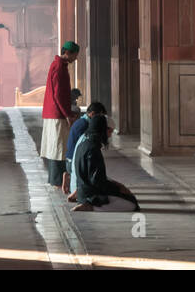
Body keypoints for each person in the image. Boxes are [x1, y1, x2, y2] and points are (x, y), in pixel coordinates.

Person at [71, 113, 139, 212]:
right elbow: (97, 181)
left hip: (83, 191)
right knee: (131, 204)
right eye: (109, 132)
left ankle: (88, 204)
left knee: (125, 195)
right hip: (91, 195)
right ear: (103, 130)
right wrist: (118, 189)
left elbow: (94, 175)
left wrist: (118, 185)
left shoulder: (85, 142)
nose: (110, 135)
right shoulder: (93, 149)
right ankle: (91, 207)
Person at [40, 41, 80, 187]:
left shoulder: (59, 65)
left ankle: (56, 179)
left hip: (55, 112)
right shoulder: (59, 67)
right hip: (57, 113)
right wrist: (67, 115)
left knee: (56, 147)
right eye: (75, 55)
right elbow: (58, 95)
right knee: (58, 148)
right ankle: (57, 180)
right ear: (68, 53)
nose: (76, 58)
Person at [64, 100, 106, 201]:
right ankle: (75, 190)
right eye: (99, 116)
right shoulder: (85, 127)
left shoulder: (81, 121)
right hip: (73, 162)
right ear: (92, 114)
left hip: (71, 161)